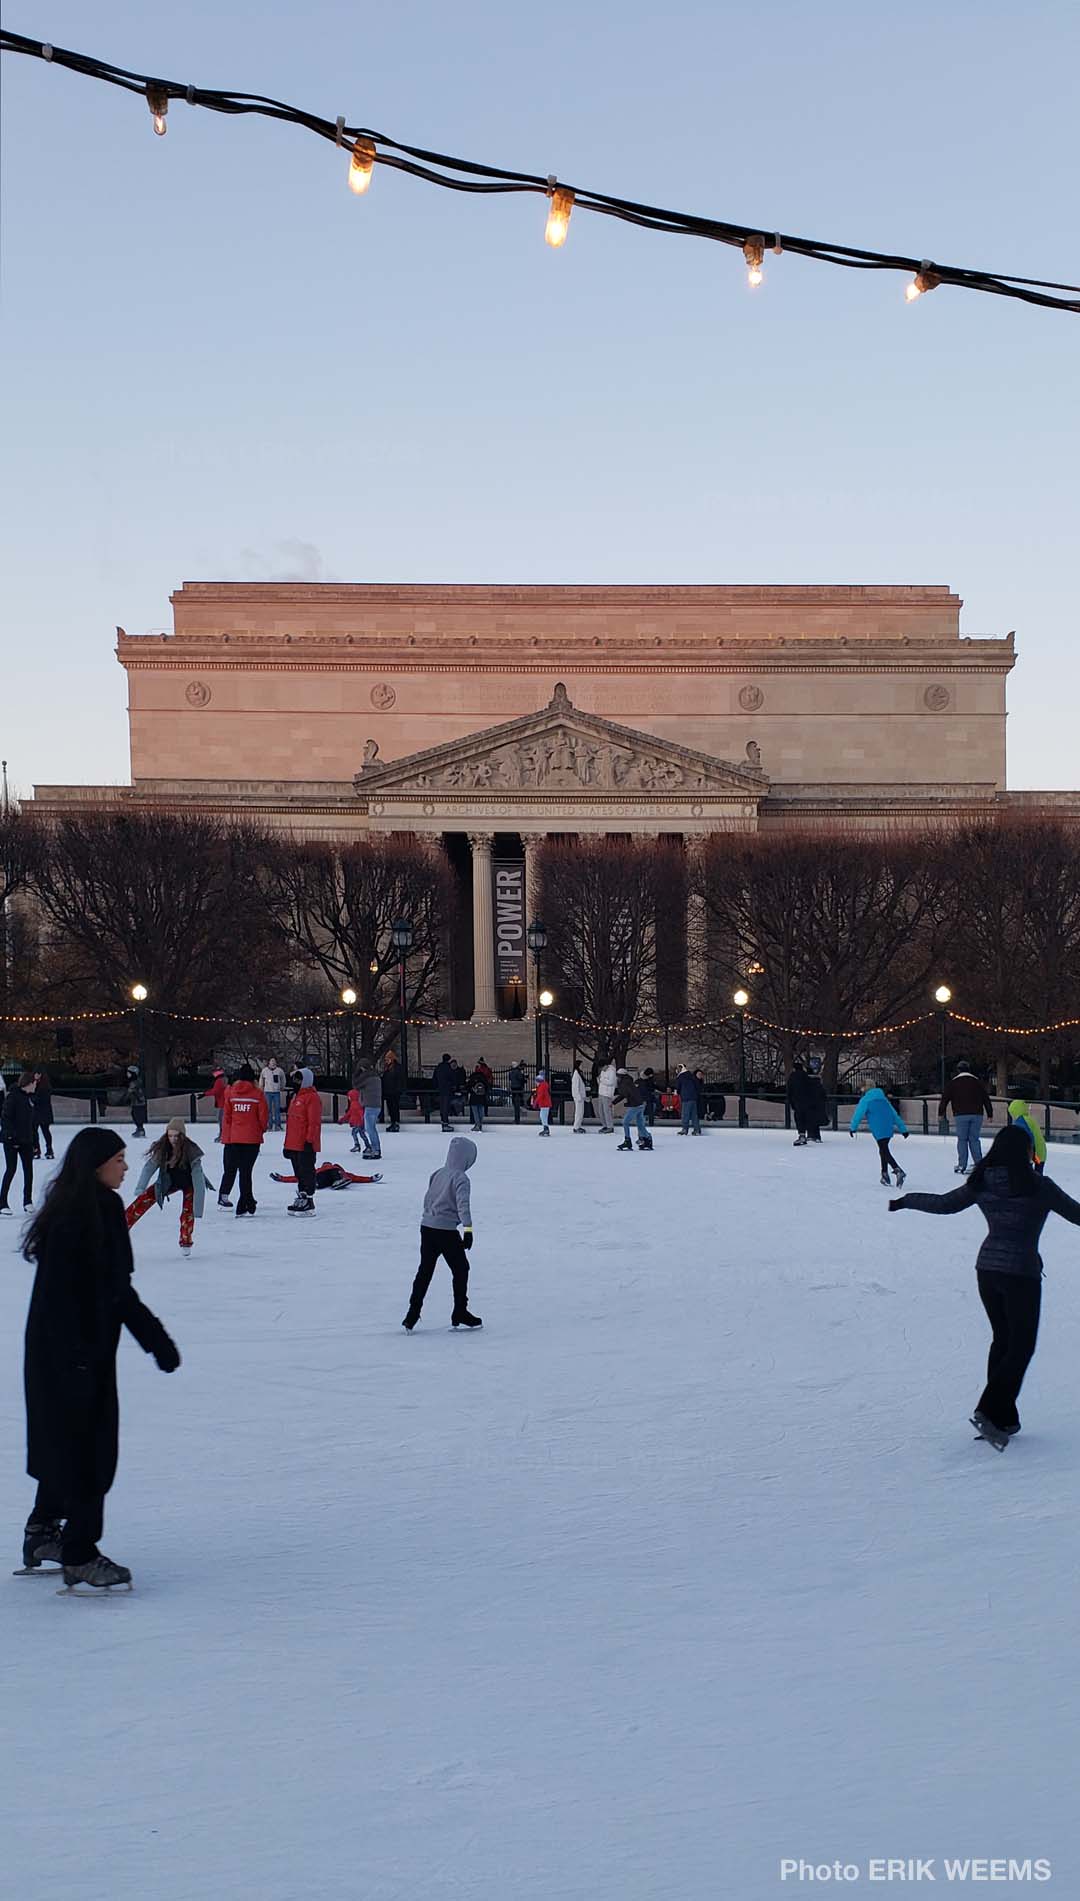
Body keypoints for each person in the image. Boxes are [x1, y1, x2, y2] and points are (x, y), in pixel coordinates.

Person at [20, 1128, 180, 1591]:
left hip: (51, 1349)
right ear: (95, 1164)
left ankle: (42, 1531)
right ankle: (80, 1553)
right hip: (79, 1352)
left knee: (62, 1443)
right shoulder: (99, 1208)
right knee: (90, 1453)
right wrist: (157, 1340)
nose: (125, 1167)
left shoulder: (65, 1204)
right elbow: (115, 1290)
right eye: (118, 1159)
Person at [888, 1124, 1080, 1448]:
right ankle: (988, 1409)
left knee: (1004, 1341)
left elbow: (944, 1203)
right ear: (1025, 1152)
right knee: (1021, 1346)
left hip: (987, 1270)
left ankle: (1004, 1417)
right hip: (1021, 1273)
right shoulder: (1038, 1186)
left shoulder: (982, 1181)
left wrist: (904, 1201)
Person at [402, 1136, 482, 1331]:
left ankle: (412, 1314)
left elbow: (428, 1198)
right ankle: (460, 1311)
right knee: (461, 1269)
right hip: (446, 1231)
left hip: (427, 1228)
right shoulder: (461, 1178)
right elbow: (463, 1206)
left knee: (425, 1271)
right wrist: (468, 1229)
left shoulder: (437, 1173)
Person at [128, 1118, 208, 1252]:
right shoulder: (163, 1148)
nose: (173, 1139)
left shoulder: (191, 1150)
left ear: (182, 1135)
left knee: (188, 1213)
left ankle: (186, 1242)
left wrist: (198, 1207)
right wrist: (141, 1187)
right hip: (169, 1181)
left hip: (189, 1183)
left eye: (176, 1136)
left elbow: (198, 1178)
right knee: (142, 1200)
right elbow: (150, 1167)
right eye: (170, 1135)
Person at [217, 1064, 269, 1216]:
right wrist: (261, 1129)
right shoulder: (258, 1095)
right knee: (246, 1171)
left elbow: (227, 1116)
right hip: (252, 1139)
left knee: (236, 1170)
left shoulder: (232, 1093)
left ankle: (247, 1200)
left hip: (235, 1138)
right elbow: (263, 1117)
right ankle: (245, 1201)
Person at [939, 1062, 994, 1174]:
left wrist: (941, 1113)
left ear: (958, 1070)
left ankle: (962, 1165)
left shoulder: (953, 1083)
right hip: (977, 1114)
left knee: (962, 1140)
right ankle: (979, 1164)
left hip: (961, 1115)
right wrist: (990, 1114)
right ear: (969, 1070)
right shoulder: (977, 1082)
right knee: (974, 1139)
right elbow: (986, 1098)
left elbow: (945, 1099)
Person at [849, 1085, 908, 1187]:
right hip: (888, 1127)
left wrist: (853, 1127)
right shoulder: (884, 1099)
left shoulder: (866, 1100)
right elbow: (894, 1114)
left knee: (884, 1150)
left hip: (878, 1128)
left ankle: (898, 1170)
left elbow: (858, 1114)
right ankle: (884, 1175)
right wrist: (903, 1129)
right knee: (883, 1149)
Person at [283, 1066, 322, 1214]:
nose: (296, 1082)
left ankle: (309, 1197)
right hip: (294, 1142)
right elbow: (291, 1123)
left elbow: (314, 1122)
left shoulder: (312, 1097)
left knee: (307, 1170)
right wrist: (287, 1145)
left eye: (299, 1079)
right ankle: (302, 1194)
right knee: (298, 1170)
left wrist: (309, 1140)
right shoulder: (296, 1097)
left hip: (305, 1142)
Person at [2, 1071, 38, 1216]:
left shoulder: (30, 1099)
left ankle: (27, 1201)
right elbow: (6, 1119)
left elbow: (31, 1123)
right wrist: (12, 1137)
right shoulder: (13, 1097)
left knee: (29, 1171)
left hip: (26, 1141)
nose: (36, 1085)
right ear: (29, 1083)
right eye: (35, 1083)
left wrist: (35, 1143)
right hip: (12, 1141)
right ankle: (2, 1202)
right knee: (11, 1170)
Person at [788, 1060, 827, 1146]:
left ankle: (802, 1135)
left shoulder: (793, 1076)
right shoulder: (807, 1076)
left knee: (799, 1118)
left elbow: (789, 1090)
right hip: (809, 1102)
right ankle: (814, 1135)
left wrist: (792, 1102)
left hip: (798, 1101)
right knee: (810, 1117)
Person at [271, 1161, 382, 1190]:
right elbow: (357, 1178)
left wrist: (282, 1178)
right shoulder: (337, 1168)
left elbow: (299, 1177)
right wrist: (371, 1179)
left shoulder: (322, 1169)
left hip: (322, 1178)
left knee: (312, 1177)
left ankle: (318, 1183)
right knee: (334, 1173)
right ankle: (337, 1181)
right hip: (333, 1176)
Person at [614, 1068, 652, 1151]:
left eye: (617, 1076)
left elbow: (625, 1094)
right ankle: (647, 1139)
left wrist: (614, 1102)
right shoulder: (629, 1081)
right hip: (640, 1104)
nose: (616, 1078)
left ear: (621, 1076)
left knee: (625, 1122)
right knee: (640, 1124)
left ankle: (628, 1141)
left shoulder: (625, 1083)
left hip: (636, 1105)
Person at [352, 1061, 383, 1159]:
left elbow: (355, 1085)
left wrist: (356, 1074)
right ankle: (376, 1148)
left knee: (370, 1129)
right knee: (371, 1128)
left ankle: (375, 1149)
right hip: (376, 1105)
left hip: (370, 1106)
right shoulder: (376, 1077)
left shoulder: (367, 1078)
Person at [1008, 1098, 1046, 1173]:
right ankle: (1037, 1182)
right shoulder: (1029, 1119)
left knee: (1028, 1173)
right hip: (1040, 1152)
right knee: (1038, 1172)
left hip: (1033, 1153)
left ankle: (1032, 1182)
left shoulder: (1020, 1121)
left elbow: (1026, 1137)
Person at [259, 1055, 286, 1133]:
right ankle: (269, 1125)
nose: (273, 1063)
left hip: (276, 1092)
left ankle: (278, 1125)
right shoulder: (264, 1071)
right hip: (267, 1091)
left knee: (277, 1109)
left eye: (274, 1061)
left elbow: (283, 1079)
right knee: (268, 1109)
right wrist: (261, 1087)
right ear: (269, 1063)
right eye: (272, 1061)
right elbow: (261, 1079)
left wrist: (282, 1086)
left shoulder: (279, 1071)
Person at [32, 1071, 55, 1162]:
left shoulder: (44, 1086)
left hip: (41, 1111)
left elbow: (39, 1098)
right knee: (35, 1131)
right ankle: (37, 1149)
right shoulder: (37, 1084)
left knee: (44, 1130)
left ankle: (47, 1149)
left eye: (36, 1074)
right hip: (40, 1111)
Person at [381, 1050, 405, 1133]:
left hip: (394, 1092)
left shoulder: (396, 1068)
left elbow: (399, 1080)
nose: (386, 1061)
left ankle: (395, 1123)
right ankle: (393, 1122)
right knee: (391, 1108)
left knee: (394, 1107)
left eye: (387, 1059)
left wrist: (398, 1090)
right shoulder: (389, 1068)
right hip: (389, 1092)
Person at [202, 1068, 228, 1142]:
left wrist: (205, 1094)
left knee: (221, 1120)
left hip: (221, 1103)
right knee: (223, 1120)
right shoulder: (224, 1080)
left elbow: (216, 1091)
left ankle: (222, 1135)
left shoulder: (219, 1081)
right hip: (224, 1102)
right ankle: (223, 1134)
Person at [675, 1064, 701, 1136]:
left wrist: (676, 1092)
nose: (676, 1070)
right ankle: (697, 1130)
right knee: (694, 1115)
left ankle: (684, 1129)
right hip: (693, 1098)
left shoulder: (680, 1076)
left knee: (685, 1114)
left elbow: (678, 1087)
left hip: (686, 1098)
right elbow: (697, 1085)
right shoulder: (691, 1075)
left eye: (677, 1069)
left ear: (681, 1069)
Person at [124, 1065, 148, 1140]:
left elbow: (131, 1092)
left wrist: (126, 1098)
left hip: (138, 1102)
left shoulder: (135, 1082)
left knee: (137, 1115)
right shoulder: (134, 1082)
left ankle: (140, 1129)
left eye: (129, 1073)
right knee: (134, 1114)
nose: (127, 1074)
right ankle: (139, 1129)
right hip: (136, 1102)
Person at [433, 1053, 456, 1132]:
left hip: (440, 1089)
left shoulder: (438, 1067)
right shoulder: (448, 1068)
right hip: (447, 1089)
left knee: (442, 1106)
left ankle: (443, 1121)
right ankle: (445, 1123)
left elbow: (434, 1078)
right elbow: (452, 1078)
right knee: (446, 1106)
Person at [340, 1085, 366, 1153]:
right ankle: (365, 1145)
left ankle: (359, 1145)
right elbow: (349, 1114)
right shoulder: (355, 1104)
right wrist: (342, 1120)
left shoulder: (355, 1105)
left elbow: (360, 1114)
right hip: (358, 1122)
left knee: (355, 1133)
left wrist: (362, 1121)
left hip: (359, 1123)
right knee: (361, 1134)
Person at [595, 1057, 618, 1134]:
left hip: (607, 1094)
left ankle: (610, 1126)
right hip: (601, 1092)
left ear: (605, 1065)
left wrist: (601, 1080)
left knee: (607, 1111)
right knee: (601, 1111)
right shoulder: (603, 1071)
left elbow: (611, 1082)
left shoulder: (611, 1071)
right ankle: (605, 1125)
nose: (602, 1069)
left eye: (602, 1067)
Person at [467, 1065, 489, 1132]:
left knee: (475, 1112)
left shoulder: (472, 1077)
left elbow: (468, 1087)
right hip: (482, 1098)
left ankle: (477, 1125)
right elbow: (488, 1087)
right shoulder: (484, 1078)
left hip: (474, 1097)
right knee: (481, 1112)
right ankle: (480, 1125)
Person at [533, 1069, 552, 1136]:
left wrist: (535, 1103)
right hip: (545, 1104)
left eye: (536, 1082)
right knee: (543, 1116)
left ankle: (546, 1129)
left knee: (543, 1117)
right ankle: (545, 1128)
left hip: (544, 1104)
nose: (536, 1083)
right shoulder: (543, 1085)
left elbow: (540, 1095)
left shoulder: (542, 1086)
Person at [570, 1060, 588, 1133]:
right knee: (579, 1112)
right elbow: (575, 1087)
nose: (582, 1066)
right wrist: (578, 1097)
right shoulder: (576, 1074)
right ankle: (576, 1127)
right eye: (581, 1065)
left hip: (580, 1096)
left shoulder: (578, 1074)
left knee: (580, 1112)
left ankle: (578, 1126)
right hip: (578, 1097)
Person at [508, 1060, 527, 1126]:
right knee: (518, 1104)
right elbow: (521, 1079)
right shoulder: (518, 1072)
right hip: (518, 1088)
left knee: (515, 1104)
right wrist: (524, 1078)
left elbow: (510, 1078)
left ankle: (516, 1119)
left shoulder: (511, 1072)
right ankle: (517, 1119)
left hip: (513, 1088)